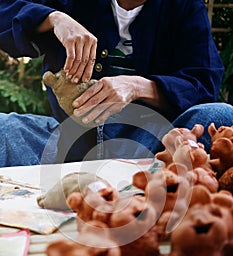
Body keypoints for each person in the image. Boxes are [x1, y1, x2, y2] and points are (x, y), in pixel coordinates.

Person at [0, 0, 233, 166]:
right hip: (70, 142)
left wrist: (136, 87)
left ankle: (151, 175)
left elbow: (204, 85)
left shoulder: (185, 7)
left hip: (152, 145)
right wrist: (53, 18)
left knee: (221, 116)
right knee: (4, 130)